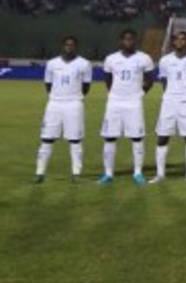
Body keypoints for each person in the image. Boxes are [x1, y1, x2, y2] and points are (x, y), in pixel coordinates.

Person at [99, 29, 156, 185]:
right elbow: (108, 80)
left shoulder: (144, 58)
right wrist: (117, 95)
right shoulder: (111, 59)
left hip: (134, 103)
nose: (128, 42)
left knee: (137, 137)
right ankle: (108, 174)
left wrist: (138, 94)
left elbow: (150, 80)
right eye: (125, 39)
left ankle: (137, 173)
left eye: (131, 39)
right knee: (110, 137)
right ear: (120, 41)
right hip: (114, 102)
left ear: (135, 41)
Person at [34, 36, 91, 183]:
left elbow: (86, 87)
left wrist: (73, 98)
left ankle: (76, 174)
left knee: (75, 140)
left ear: (76, 46)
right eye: (67, 45)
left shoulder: (84, 64)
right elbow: (48, 84)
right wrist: (57, 97)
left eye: (72, 45)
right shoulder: (52, 63)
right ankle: (40, 173)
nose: (69, 47)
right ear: (62, 46)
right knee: (46, 139)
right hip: (54, 104)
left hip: (74, 105)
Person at [153, 31, 186, 183]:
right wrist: (171, 94)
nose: (180, 42)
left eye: (183, 39)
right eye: (177, 39)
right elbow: (163, 80)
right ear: (173, 42)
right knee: (162, 137)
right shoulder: (165, 60)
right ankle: (160, 174)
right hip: (169, 102)